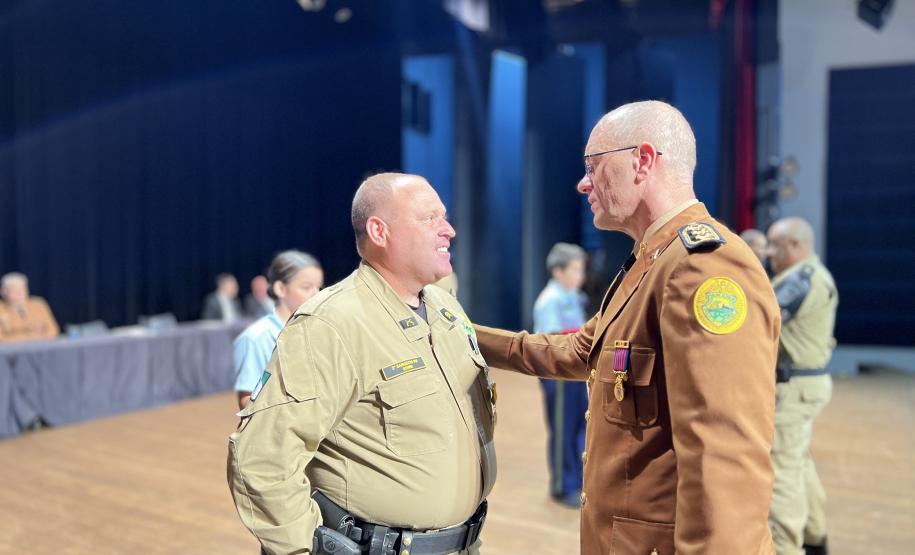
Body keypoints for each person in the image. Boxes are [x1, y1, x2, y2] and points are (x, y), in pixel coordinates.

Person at [473, 100, 781, 554]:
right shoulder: (652, 259)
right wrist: (460, 333)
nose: (582, 183)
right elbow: (579, 352)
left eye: (593, 166)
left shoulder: (704, 269)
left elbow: (724, 460)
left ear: (643, 161)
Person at [227, 173, 496, 555]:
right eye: (429, 218)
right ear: (379, 231)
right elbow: (260, 459)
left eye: (445, 217)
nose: (448, 230)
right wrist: (309, 549)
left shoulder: (444, 307)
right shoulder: (331, 324)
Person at [765, 217, 838, 555]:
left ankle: (786, 547)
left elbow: (762, 317)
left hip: (793, 389)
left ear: (795, 245)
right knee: (797, 462)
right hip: (805, 385)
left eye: (774, 245)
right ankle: (814, 537)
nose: (768, 252)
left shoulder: (800, 279)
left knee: (781, 474)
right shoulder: (808, 275)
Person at [532, 242, 589, 508]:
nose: (580, 276)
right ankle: (561, 485)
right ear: (558, 271)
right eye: (575, 270)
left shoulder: (574, 297)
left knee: (580, 427)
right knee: (563, 430)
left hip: (576, 373)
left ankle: (577, 480)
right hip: (559, 375)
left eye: (581, 270)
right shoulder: (549, 301)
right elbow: (550, 343)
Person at [233, 252, 324, 410]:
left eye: (319, 287)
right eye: (306, 287)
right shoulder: (256, 338)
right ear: (280, 288)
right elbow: (246, 402)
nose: (316, 294)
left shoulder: (316, 331)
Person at [0, 272, 60, 342]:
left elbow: (53, 330)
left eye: (23, 289)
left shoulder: (38, 304)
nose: (20, 293)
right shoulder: (2, 308)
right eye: (15, 290)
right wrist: (31, 335)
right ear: (3, 291)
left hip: (40, 348)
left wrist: (17, 334)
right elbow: (2, 338)